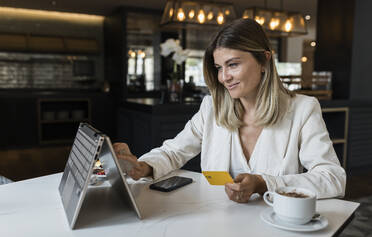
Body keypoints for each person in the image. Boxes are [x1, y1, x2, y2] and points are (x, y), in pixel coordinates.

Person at [114, 18, 346, 203]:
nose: (224, 77)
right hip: (218, 226)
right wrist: (142, 166)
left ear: (264, 61)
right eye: (219, 68)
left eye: (233, 64)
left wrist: (264, 183)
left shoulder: (303, 110)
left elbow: (333, 178)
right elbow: (174, 151)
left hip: (275, 227)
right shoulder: (212, 108)